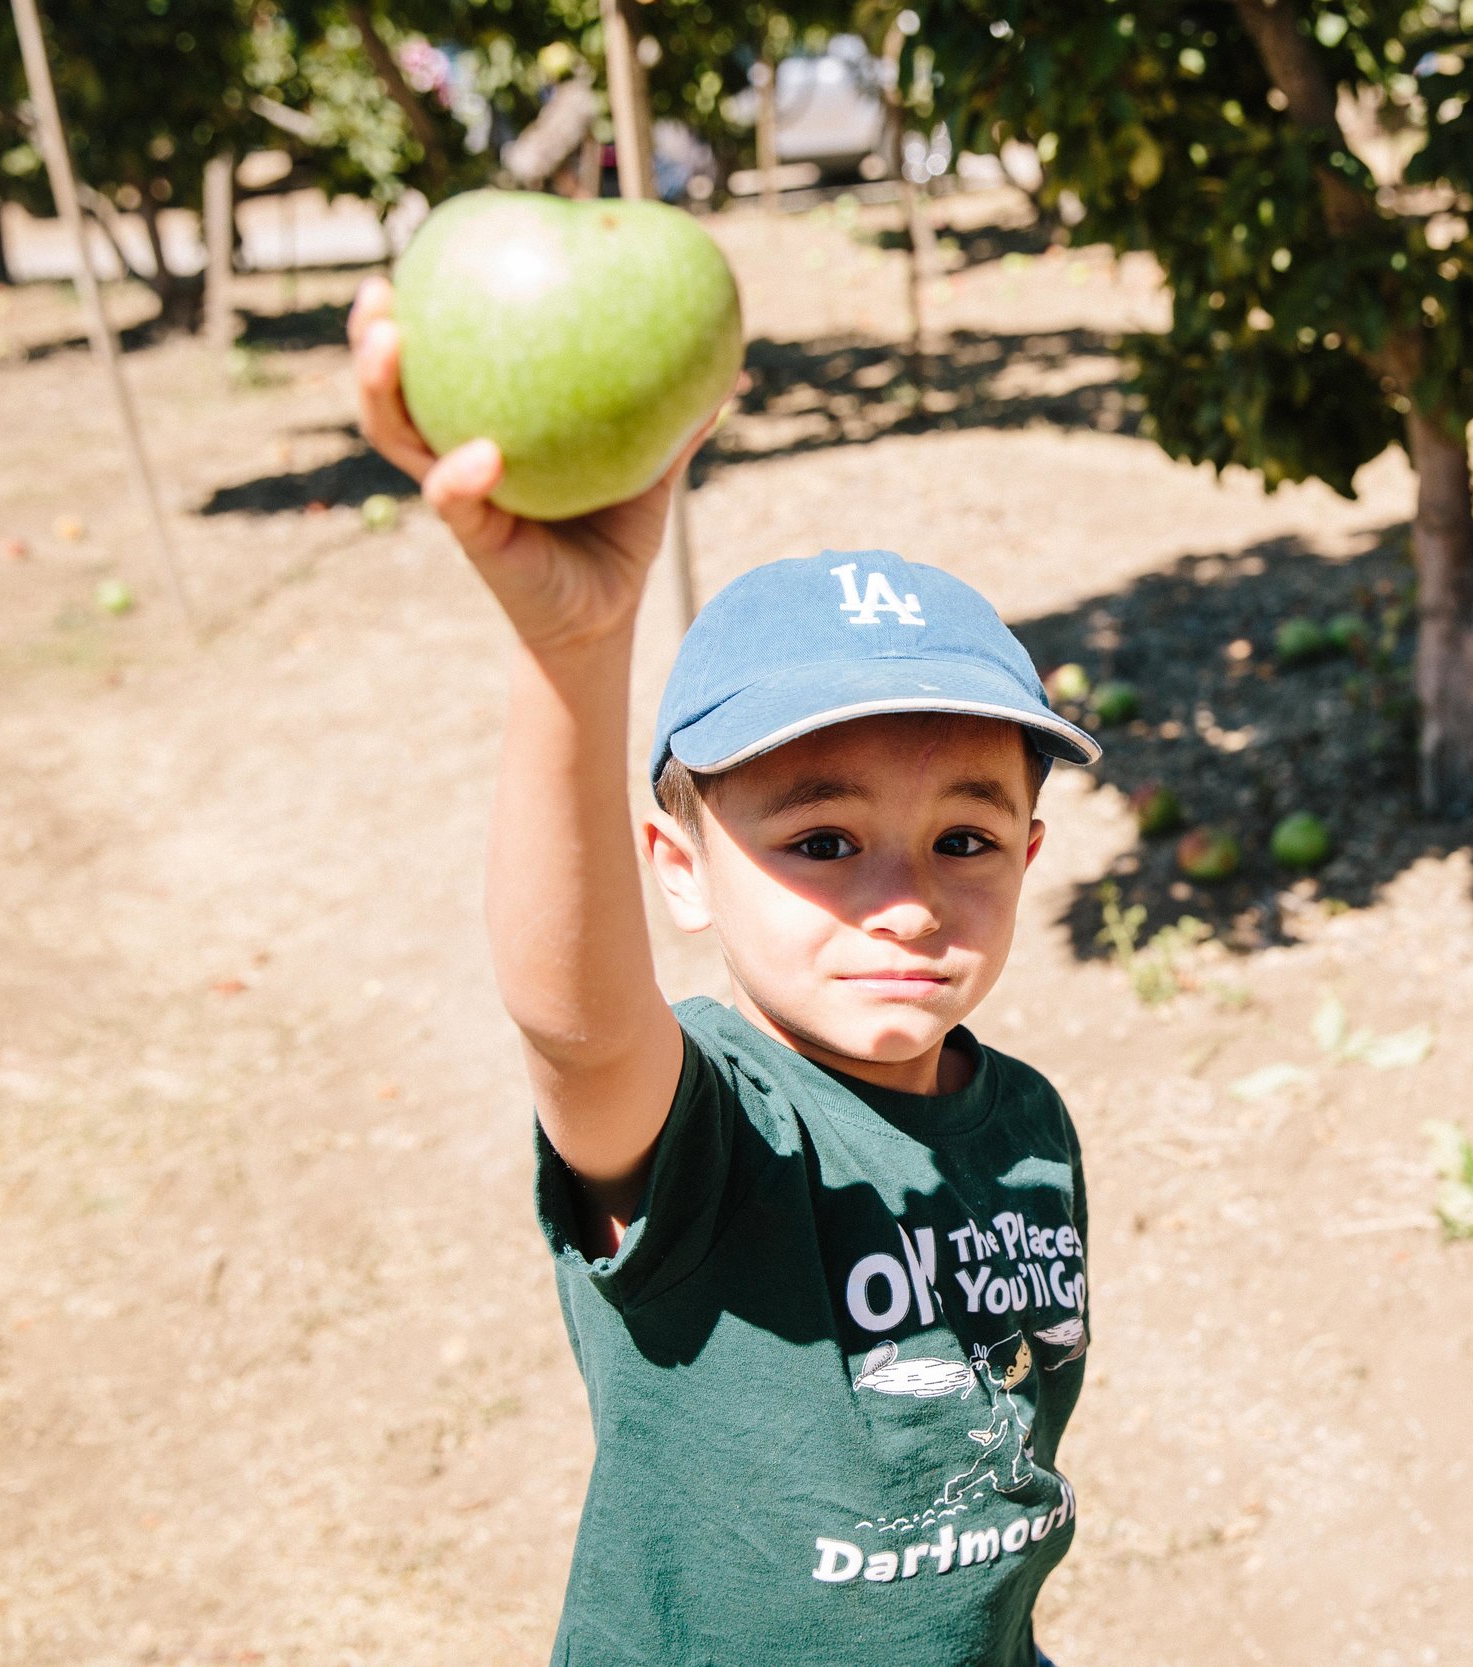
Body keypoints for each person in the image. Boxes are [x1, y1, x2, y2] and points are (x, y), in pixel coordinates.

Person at [347, 280, 1099, 1662]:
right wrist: (570, 651)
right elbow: (573, 1024)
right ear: (678, 864)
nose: (909, 899)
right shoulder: (703, 1127)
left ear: (1032, 847)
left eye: (965, 836)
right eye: (823, 838)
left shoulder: (1031, 1123)